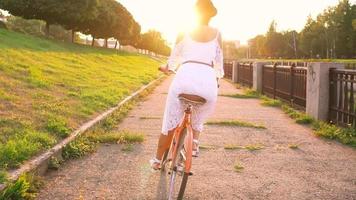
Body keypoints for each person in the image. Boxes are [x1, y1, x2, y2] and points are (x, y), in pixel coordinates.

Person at [150, 0, 224, 170]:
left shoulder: (183, 31)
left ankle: (157, 160)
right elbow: (219, 64)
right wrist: (216, 80)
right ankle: (194, 142)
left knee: (169, 124)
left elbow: (173, 59)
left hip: (184, 79)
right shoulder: (218, 33)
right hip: (207, 82)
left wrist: (167, 68)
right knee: (197, 119)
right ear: (211, 15)